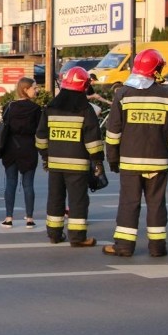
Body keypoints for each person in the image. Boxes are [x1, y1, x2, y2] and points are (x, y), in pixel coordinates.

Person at [103, 49, 168, 257]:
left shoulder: (123, 94)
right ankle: (157, 247)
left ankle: (123, 246)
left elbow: (113, 132)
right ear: (155, 69)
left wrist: (113, 160)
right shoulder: (167, 95)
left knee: (129, 203)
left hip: (130, 162)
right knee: (157, 204)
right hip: (159, 162)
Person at [35, 66, 104, 247]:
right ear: (83, 86)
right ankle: (77, 237)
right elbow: (93, 141)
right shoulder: (85, 109)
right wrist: (98, 162)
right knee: (78, 200)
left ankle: (54, 234)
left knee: (55, 199)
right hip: (78, 165)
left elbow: (41, 138)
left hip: (55, 164)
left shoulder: (51, 108)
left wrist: (46, 157)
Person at [0, 77, 42, 229]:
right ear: (25, 89)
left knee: (10, 182)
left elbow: (5, 127)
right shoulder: (36, 109)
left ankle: (8, 218)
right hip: (29, 148)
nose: (36, 90)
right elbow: (40, 131)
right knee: (28, 184)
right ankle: (29, 219)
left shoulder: (8, 107)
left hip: (10, 148)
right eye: (34, 88)